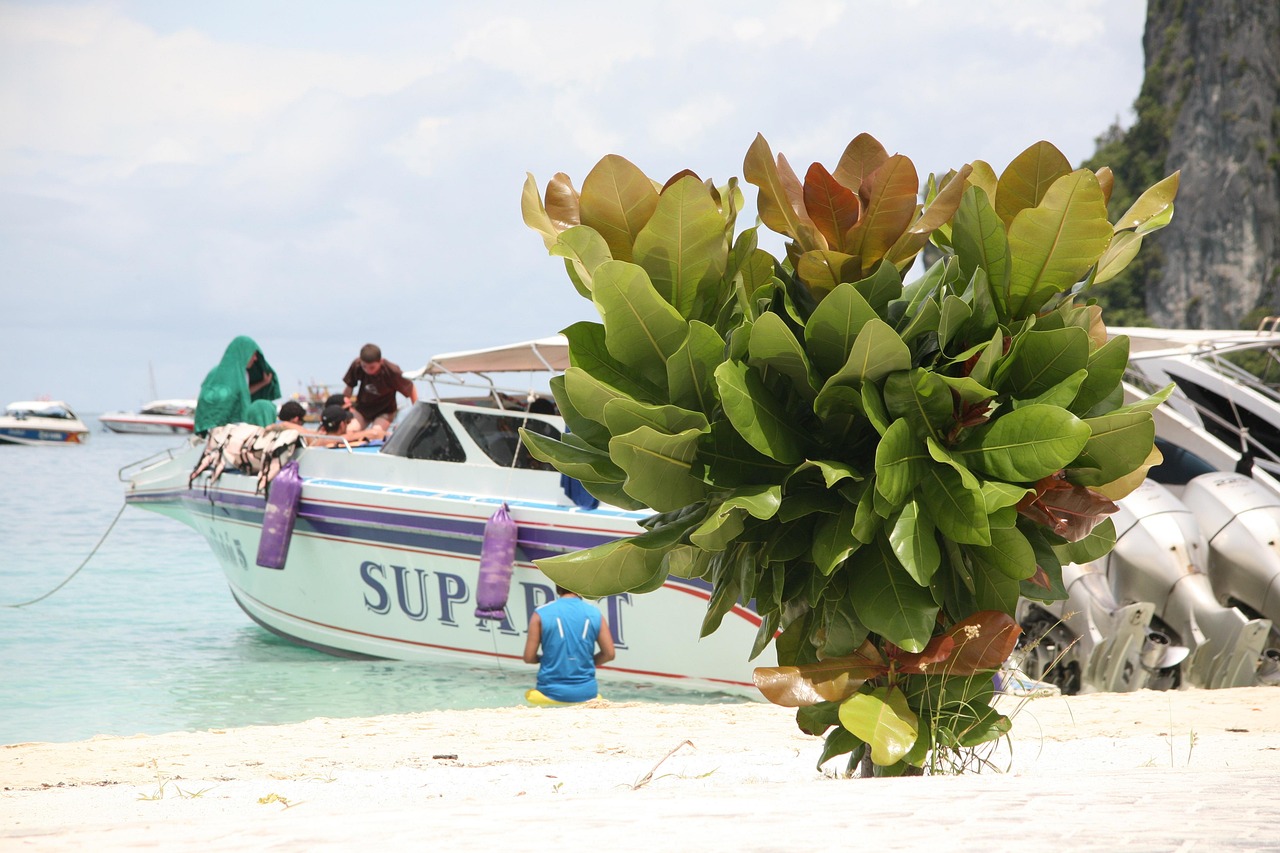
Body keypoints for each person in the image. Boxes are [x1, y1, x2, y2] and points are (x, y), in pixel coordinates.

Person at [522, 585, 615, 704]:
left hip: (549, 693)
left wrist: (547, 660)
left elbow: (528, 658)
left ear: (557, 587)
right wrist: (586, 662)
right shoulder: (595, 613)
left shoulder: (541, 613)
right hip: (587, 694)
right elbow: (609, 654)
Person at [194, 336, 281, 435]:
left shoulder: (243, 374)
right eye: (253, 355)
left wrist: (264, 383)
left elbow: (243, 393)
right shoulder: (219, 373)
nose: (255, 359)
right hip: (218, 428)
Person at [341, 343, 417, 441]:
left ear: (380, 361)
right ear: (360, 361)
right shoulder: (357, 365)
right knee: (350, 431)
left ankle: (391, 435)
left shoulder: (392, 371)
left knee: (375, 433)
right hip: (363, 408)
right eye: (364, 367)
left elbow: (411, 388)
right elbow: (349, 388)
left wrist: (416, 410)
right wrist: (343, 406)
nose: (368, 370)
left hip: (385, 411)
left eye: (372, 367)